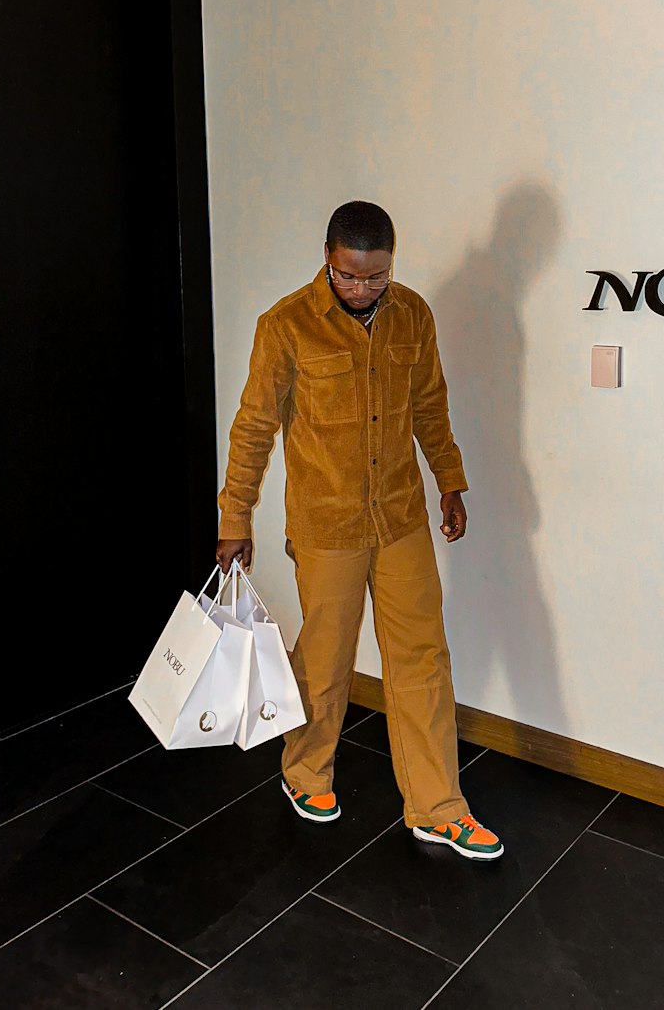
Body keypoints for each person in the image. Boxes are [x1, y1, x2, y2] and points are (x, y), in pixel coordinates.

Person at [215, 201, 502, 861]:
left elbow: (430, 403)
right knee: (325, 656)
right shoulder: (285, 325)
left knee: (422, 656)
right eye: (351, 276)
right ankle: (306, 770)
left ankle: (437, 805)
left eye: (377, 277)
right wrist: (236, 518)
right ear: (328, 257)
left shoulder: (414, 315)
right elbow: (253, 427)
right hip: (328, 524)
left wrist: (449, 480)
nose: (364, 289)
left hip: (400, 516)